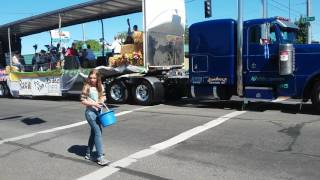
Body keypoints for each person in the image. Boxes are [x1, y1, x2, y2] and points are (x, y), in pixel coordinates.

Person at [80, 69, 110, 166]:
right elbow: (83, 100)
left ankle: (88, 154)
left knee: (94, 133)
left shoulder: (100, 86)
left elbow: (104, 96)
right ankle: (100, 157)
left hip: (99, 113)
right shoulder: (87, 86)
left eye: (94, 78)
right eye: (91, 78)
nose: (92, 80)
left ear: (98, 78)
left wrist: (101, 100)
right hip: (90, 113)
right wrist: (94, 104)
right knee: (98, 132)